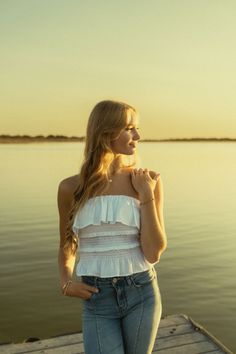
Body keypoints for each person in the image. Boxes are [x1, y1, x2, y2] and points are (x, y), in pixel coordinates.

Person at [57, 100, 167, 354]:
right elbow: (67, 243)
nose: (137, 136)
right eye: (129, 128)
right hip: (96, 296)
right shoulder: (70, 188)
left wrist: (146, 195)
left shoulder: (147, 181)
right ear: (106, 132)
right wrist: (66, 281)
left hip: (142, 292)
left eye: (136, 128)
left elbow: (153, 252)